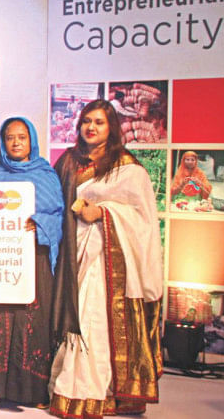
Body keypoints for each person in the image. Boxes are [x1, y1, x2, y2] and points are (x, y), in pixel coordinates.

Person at [49, 100, 163, 418]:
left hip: (107, 259)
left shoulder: (126, 165)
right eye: (87, 121)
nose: (91, 127)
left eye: (99, 122)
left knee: (93, 319)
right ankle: (76, 385)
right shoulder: (69, 161)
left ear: (111, 127)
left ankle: (95, 391)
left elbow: (142, 217)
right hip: (73, 254)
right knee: (77, 315)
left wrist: (103, 212)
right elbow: (54, 200)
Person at [0, 117, 63, 409]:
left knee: (30, 320)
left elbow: (58, 216)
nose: (16, 142)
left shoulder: (46, 174)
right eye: (10, 137)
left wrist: (40, 222)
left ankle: (31, 390)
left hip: (34, 257)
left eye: (22, 137)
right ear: (3, 142)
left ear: (32, 140)